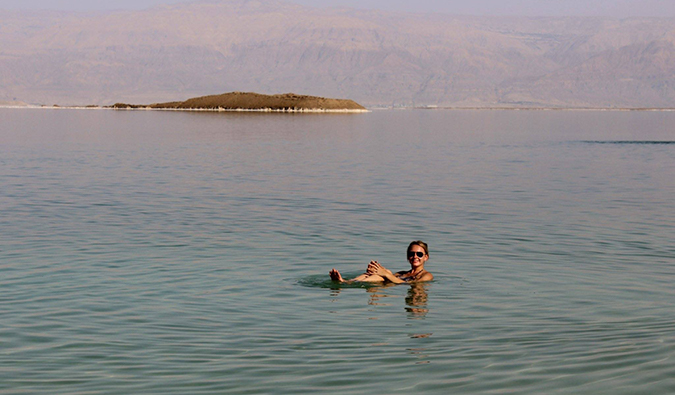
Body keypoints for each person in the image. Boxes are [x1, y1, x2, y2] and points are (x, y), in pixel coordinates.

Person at [329, 240, 434, 284]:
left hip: (393, 289)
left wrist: (383, 273)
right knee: (380, 273)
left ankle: (346, 284)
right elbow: (390, 277)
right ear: (408, 257)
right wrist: (377, 269)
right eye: (412, 254)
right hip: (386, 287)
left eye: (419, 254)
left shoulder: (427, 275)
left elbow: (408, 284)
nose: (415, 256)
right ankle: (346, 281)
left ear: (426, 257)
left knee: (384, 274)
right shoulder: (402, 273)